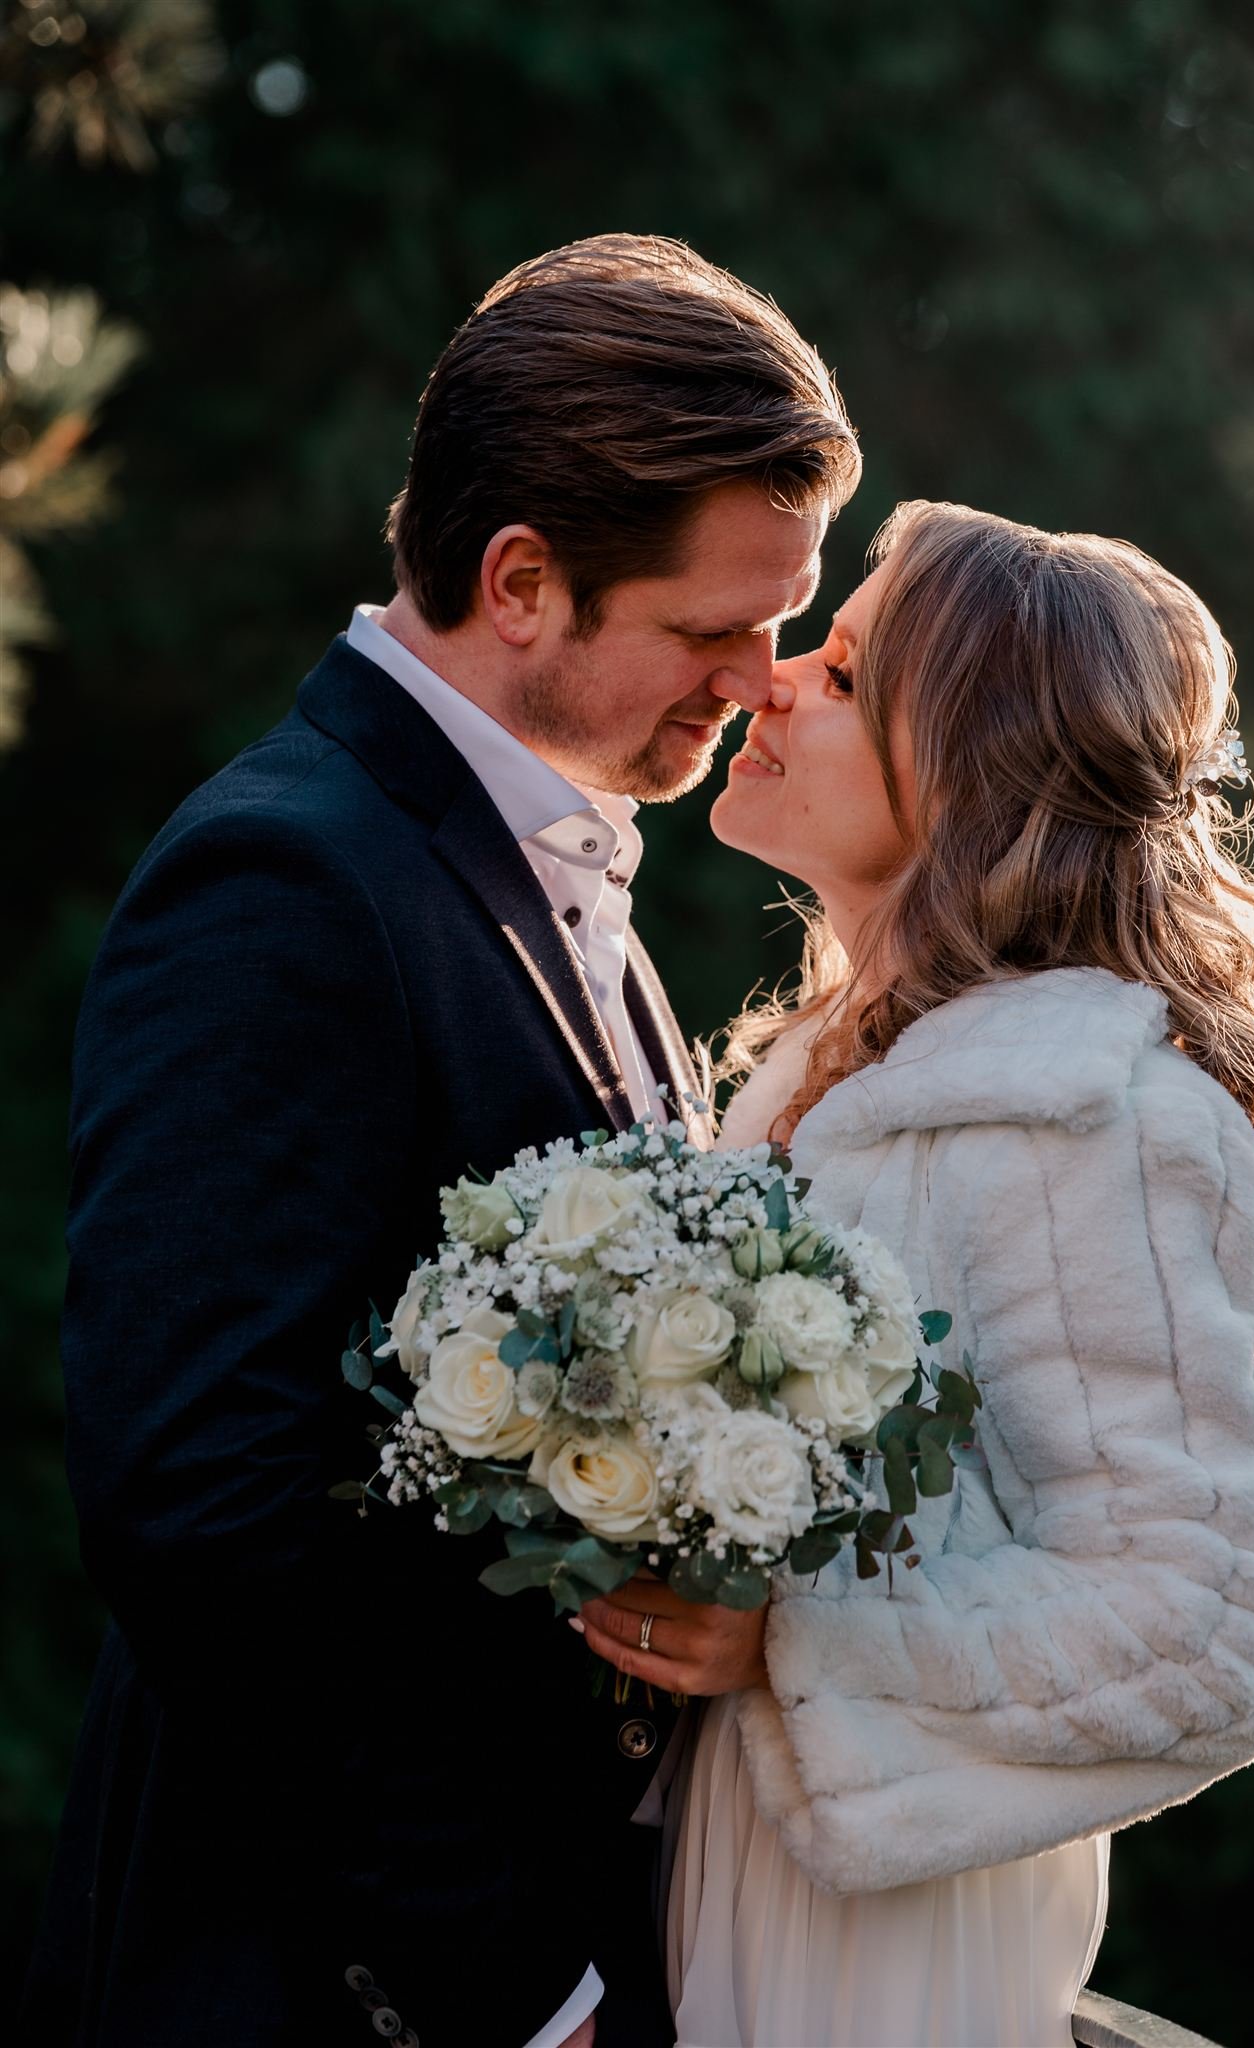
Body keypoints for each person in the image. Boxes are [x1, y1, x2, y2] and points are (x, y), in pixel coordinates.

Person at [20, 233, 859, 2048]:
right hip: (329, 1983)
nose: (765, 678)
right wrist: (516, 1994)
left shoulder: (563, 876)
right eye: (717, 628)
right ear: (523, 579)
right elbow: (200, 1510)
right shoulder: (287, 882)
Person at [574, 502, 1254, 2047]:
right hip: (727, 1870)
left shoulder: (1096, 1111)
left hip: (885, 1949)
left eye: (840, 673)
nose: (768, 682)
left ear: (968, 761)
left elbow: (1204, 1635)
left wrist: (794, 1641)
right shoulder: (824, 1080)